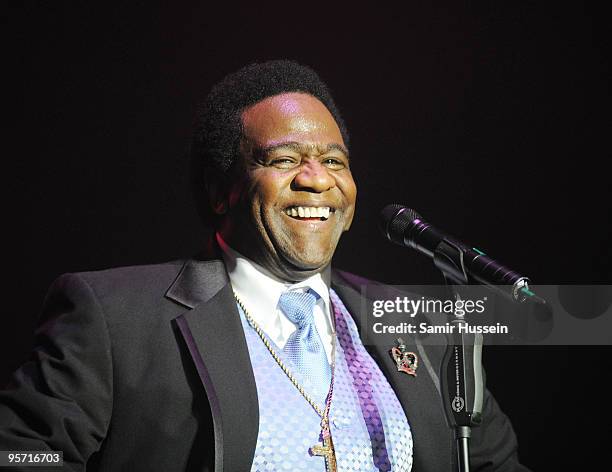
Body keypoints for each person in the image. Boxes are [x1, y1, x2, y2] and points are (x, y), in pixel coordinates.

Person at [0, 60, 529, 471]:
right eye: (284, 159)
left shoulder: (416, 326)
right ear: (220, 190)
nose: (317, 179)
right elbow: (22, 453)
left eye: (335, 161)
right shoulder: (117, 318)